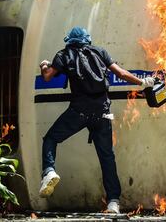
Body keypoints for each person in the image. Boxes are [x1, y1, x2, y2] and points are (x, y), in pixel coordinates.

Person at [38, 27, 154, 214]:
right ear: (87, 40)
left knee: (51, 139)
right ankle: (113, 202)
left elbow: (47, 76)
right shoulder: (100, 52)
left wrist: (44, 64)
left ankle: (49, 171)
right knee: (107, 157)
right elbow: (121, 74)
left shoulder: (63, 54)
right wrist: (143, 82)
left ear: (70, 41)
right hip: (103, 113)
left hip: (78, 111)